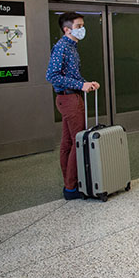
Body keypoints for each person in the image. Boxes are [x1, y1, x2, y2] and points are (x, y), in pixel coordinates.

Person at [46, 12, 100, 200]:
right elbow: (52, 76)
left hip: (71, 96)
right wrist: (80, 86)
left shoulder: (71, 47)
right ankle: (71, 187)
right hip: (69, 99)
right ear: (67, 29)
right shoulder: (62, 47)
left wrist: (86, 83)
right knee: (78, 142)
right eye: (78, 26)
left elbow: (71, 76)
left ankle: (70, 183)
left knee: (68, 142)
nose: (82, 29)